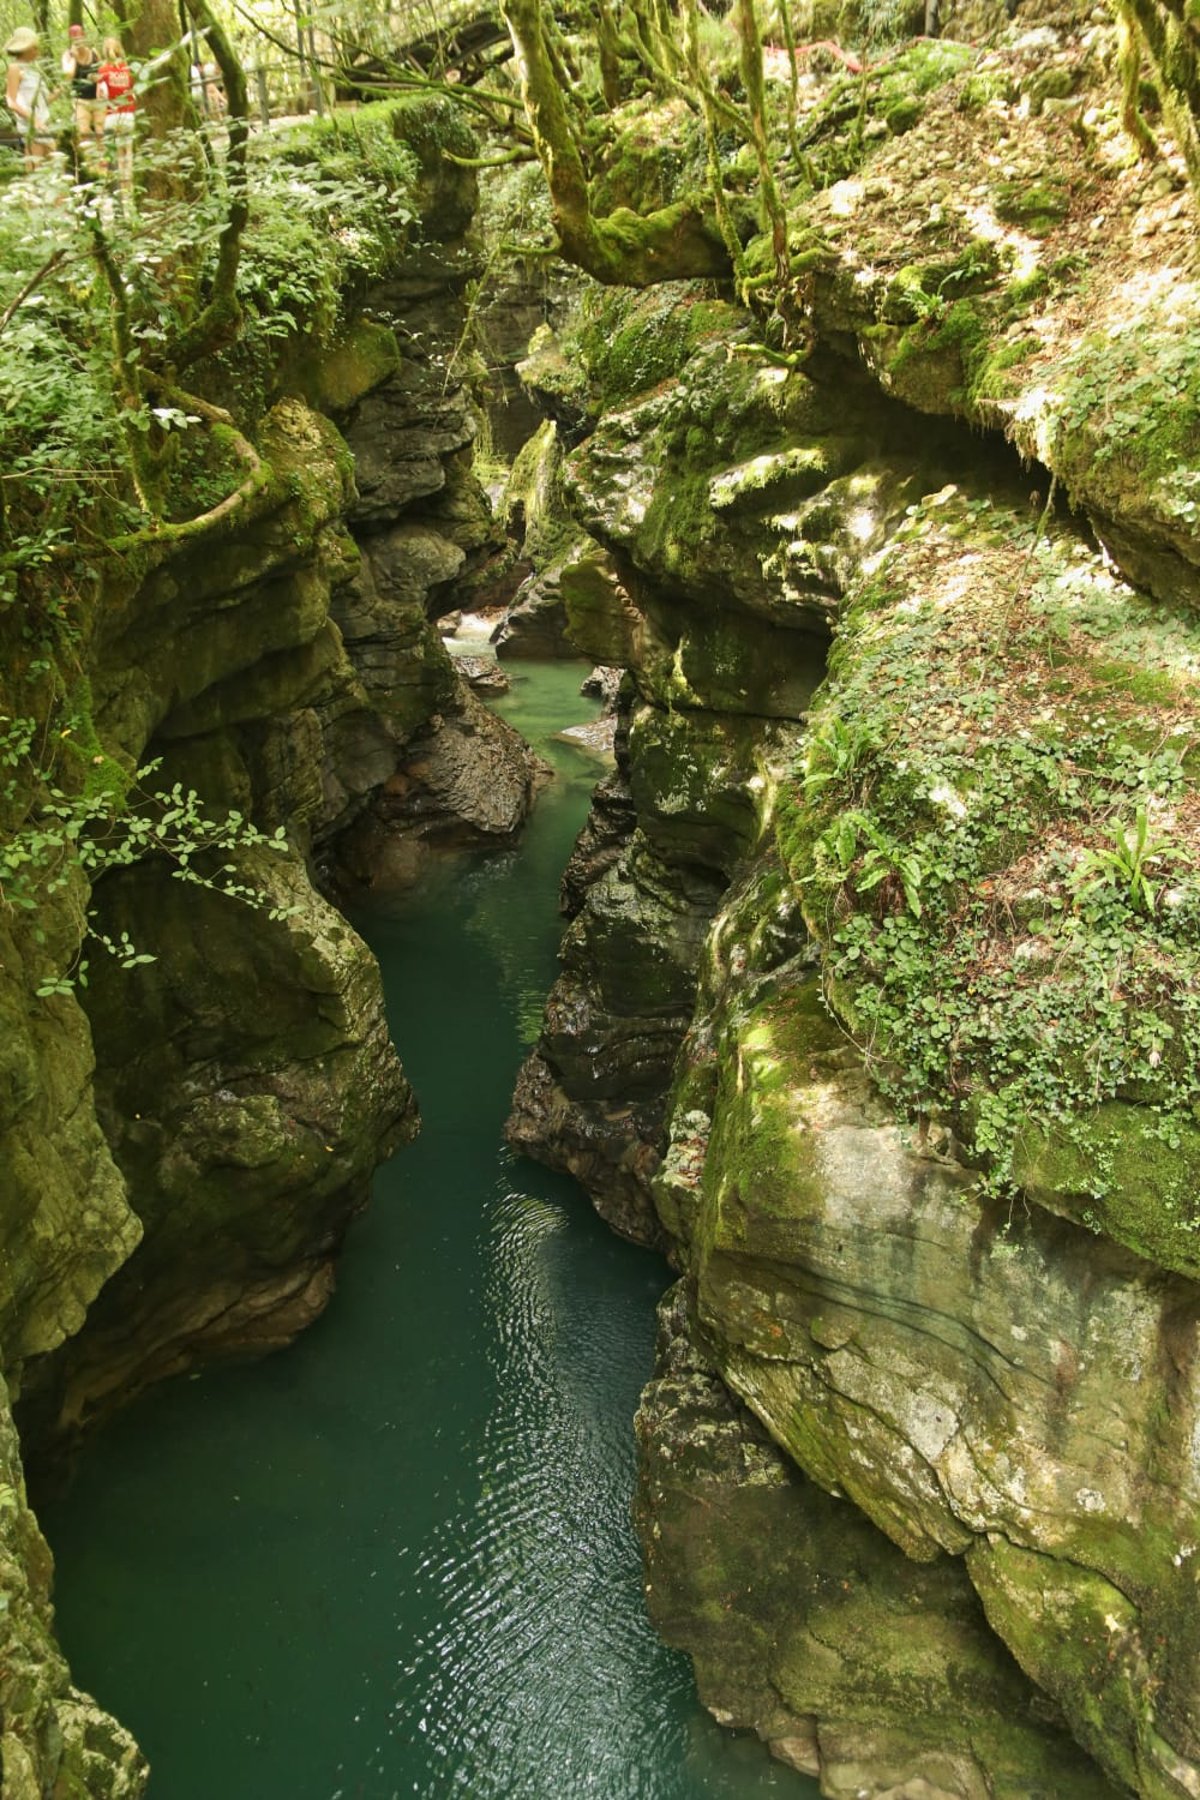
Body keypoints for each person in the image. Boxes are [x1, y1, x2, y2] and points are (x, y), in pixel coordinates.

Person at [5, 27, 54, 168]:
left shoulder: (34, 70)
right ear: (24, 48)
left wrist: (58, 92)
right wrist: (34, 121)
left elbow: (42, 103)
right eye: (34, 47)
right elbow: (11, 101)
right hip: (31, 126)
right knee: (36, 169)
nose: (37, 51)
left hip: (44, 123)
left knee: (53, 166)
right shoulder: (15, 68)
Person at [95, 36, 135, 201]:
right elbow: (134, 93)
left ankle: (121, 190)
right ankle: (131, 186)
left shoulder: (103, 72)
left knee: (118, 154)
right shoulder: (128, 69)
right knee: (129, 151)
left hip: (112, 115)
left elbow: (100, 96)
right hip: (128, 114)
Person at [61, 21, 101, 144]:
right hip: (80, 100)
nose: (78, 40)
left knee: (101, 132)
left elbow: (103, 72)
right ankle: (91, 163)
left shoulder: (94, 52)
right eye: (74, 37)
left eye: (80, 36)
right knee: (84, 132)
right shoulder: (67, 55)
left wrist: (98, 78)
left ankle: (103, 161)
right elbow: (68, 76)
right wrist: (74, 57)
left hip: (98, 99)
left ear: (84, 36)